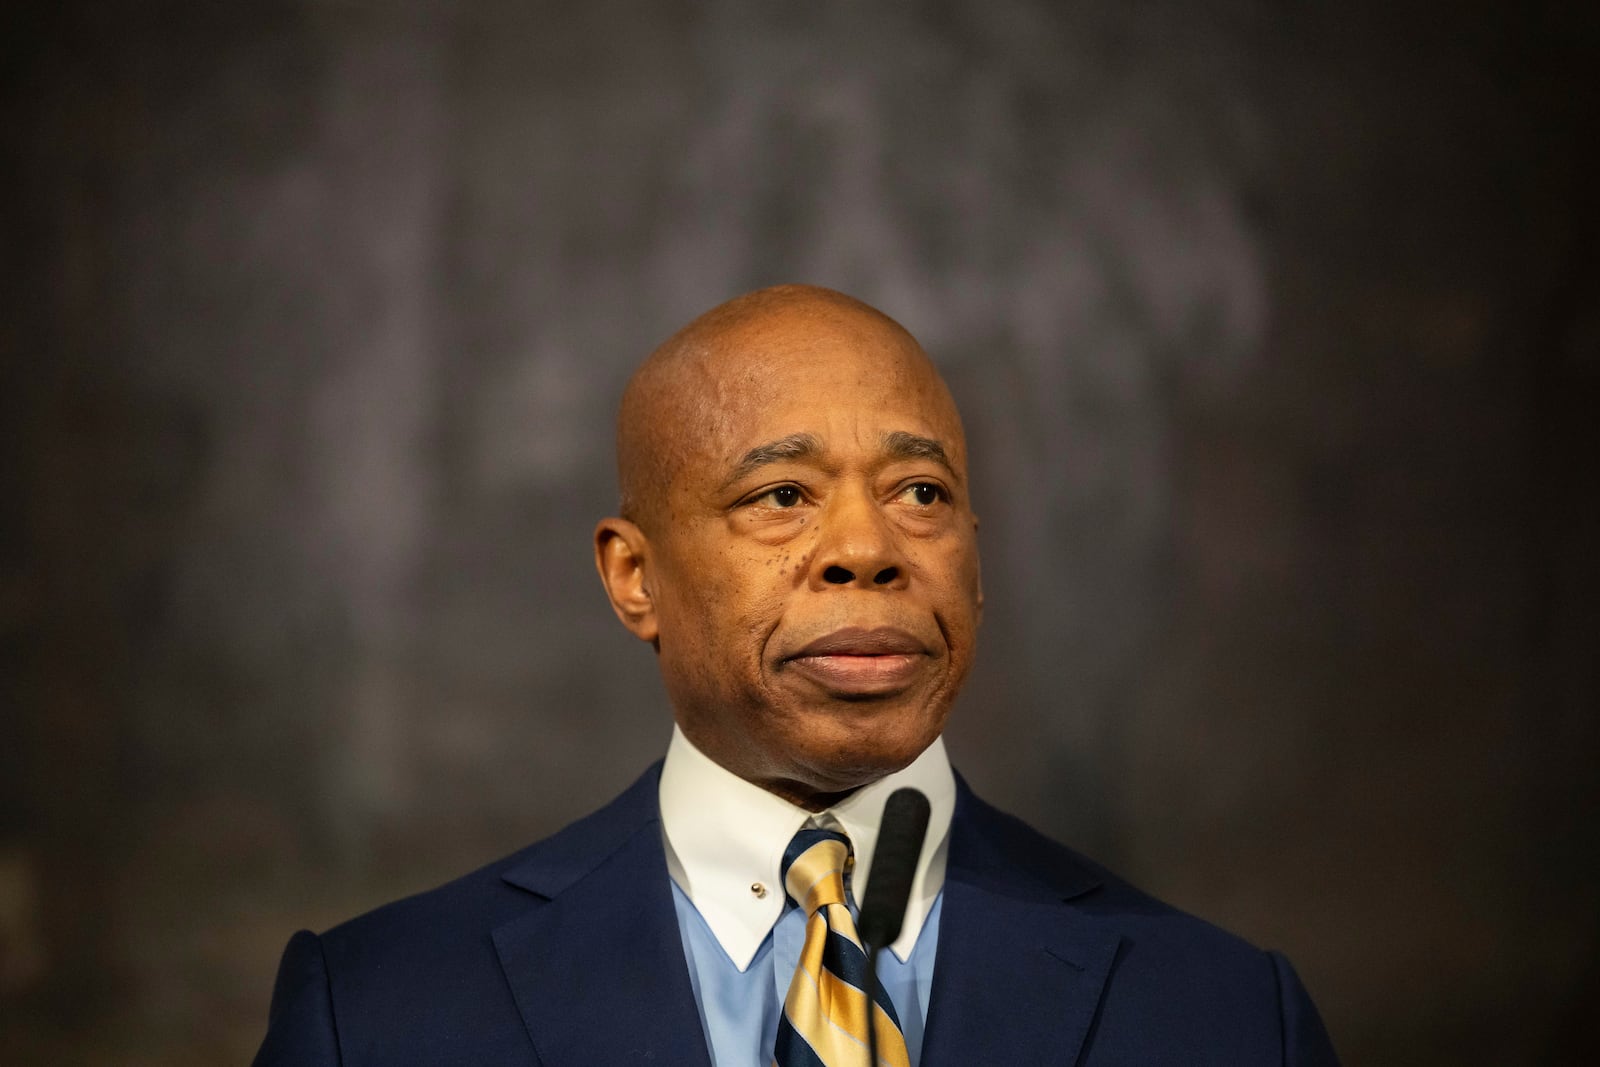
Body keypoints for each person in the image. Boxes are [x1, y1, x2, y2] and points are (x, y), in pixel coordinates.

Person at [254, 285, 1339, 1066]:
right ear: (634, 577)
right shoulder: (378, 1014)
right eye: (781, 496)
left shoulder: (1230, 1016)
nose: (866, 547)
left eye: (919, 492)